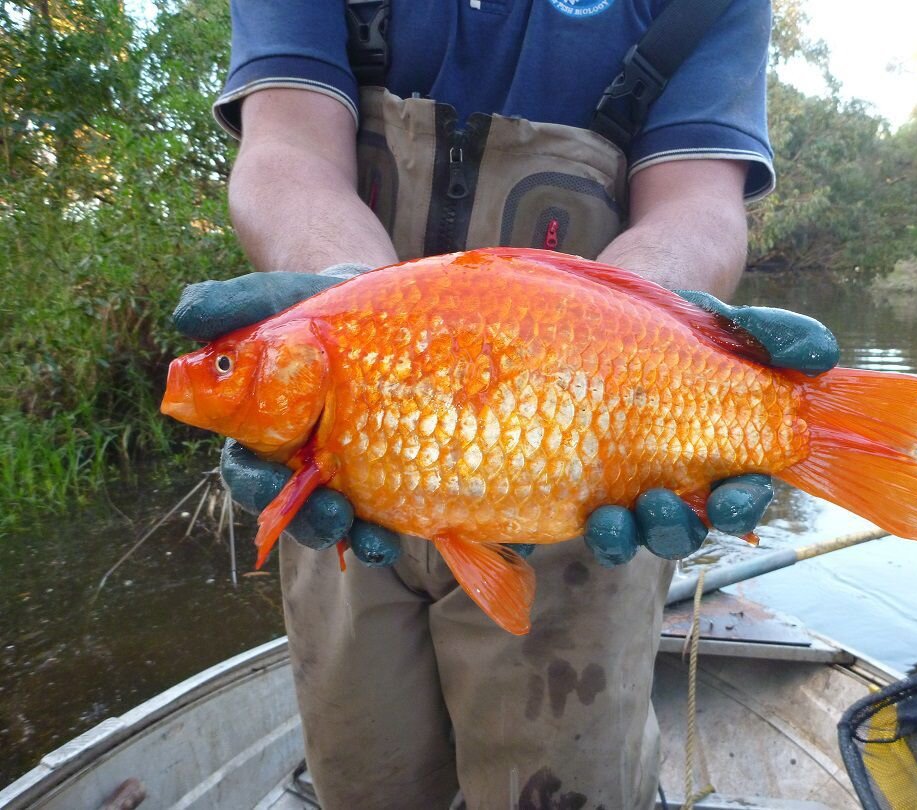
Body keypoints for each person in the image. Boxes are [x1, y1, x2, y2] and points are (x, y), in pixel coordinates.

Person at [172, 1, 838, 807]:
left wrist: (650, 339)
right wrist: (344, 294)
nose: (204, 377)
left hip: (583, 472)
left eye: (230, 365)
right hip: (346, 501)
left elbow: (695, 201)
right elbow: (286, 146)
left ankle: (817, 431)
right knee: (363, 776)